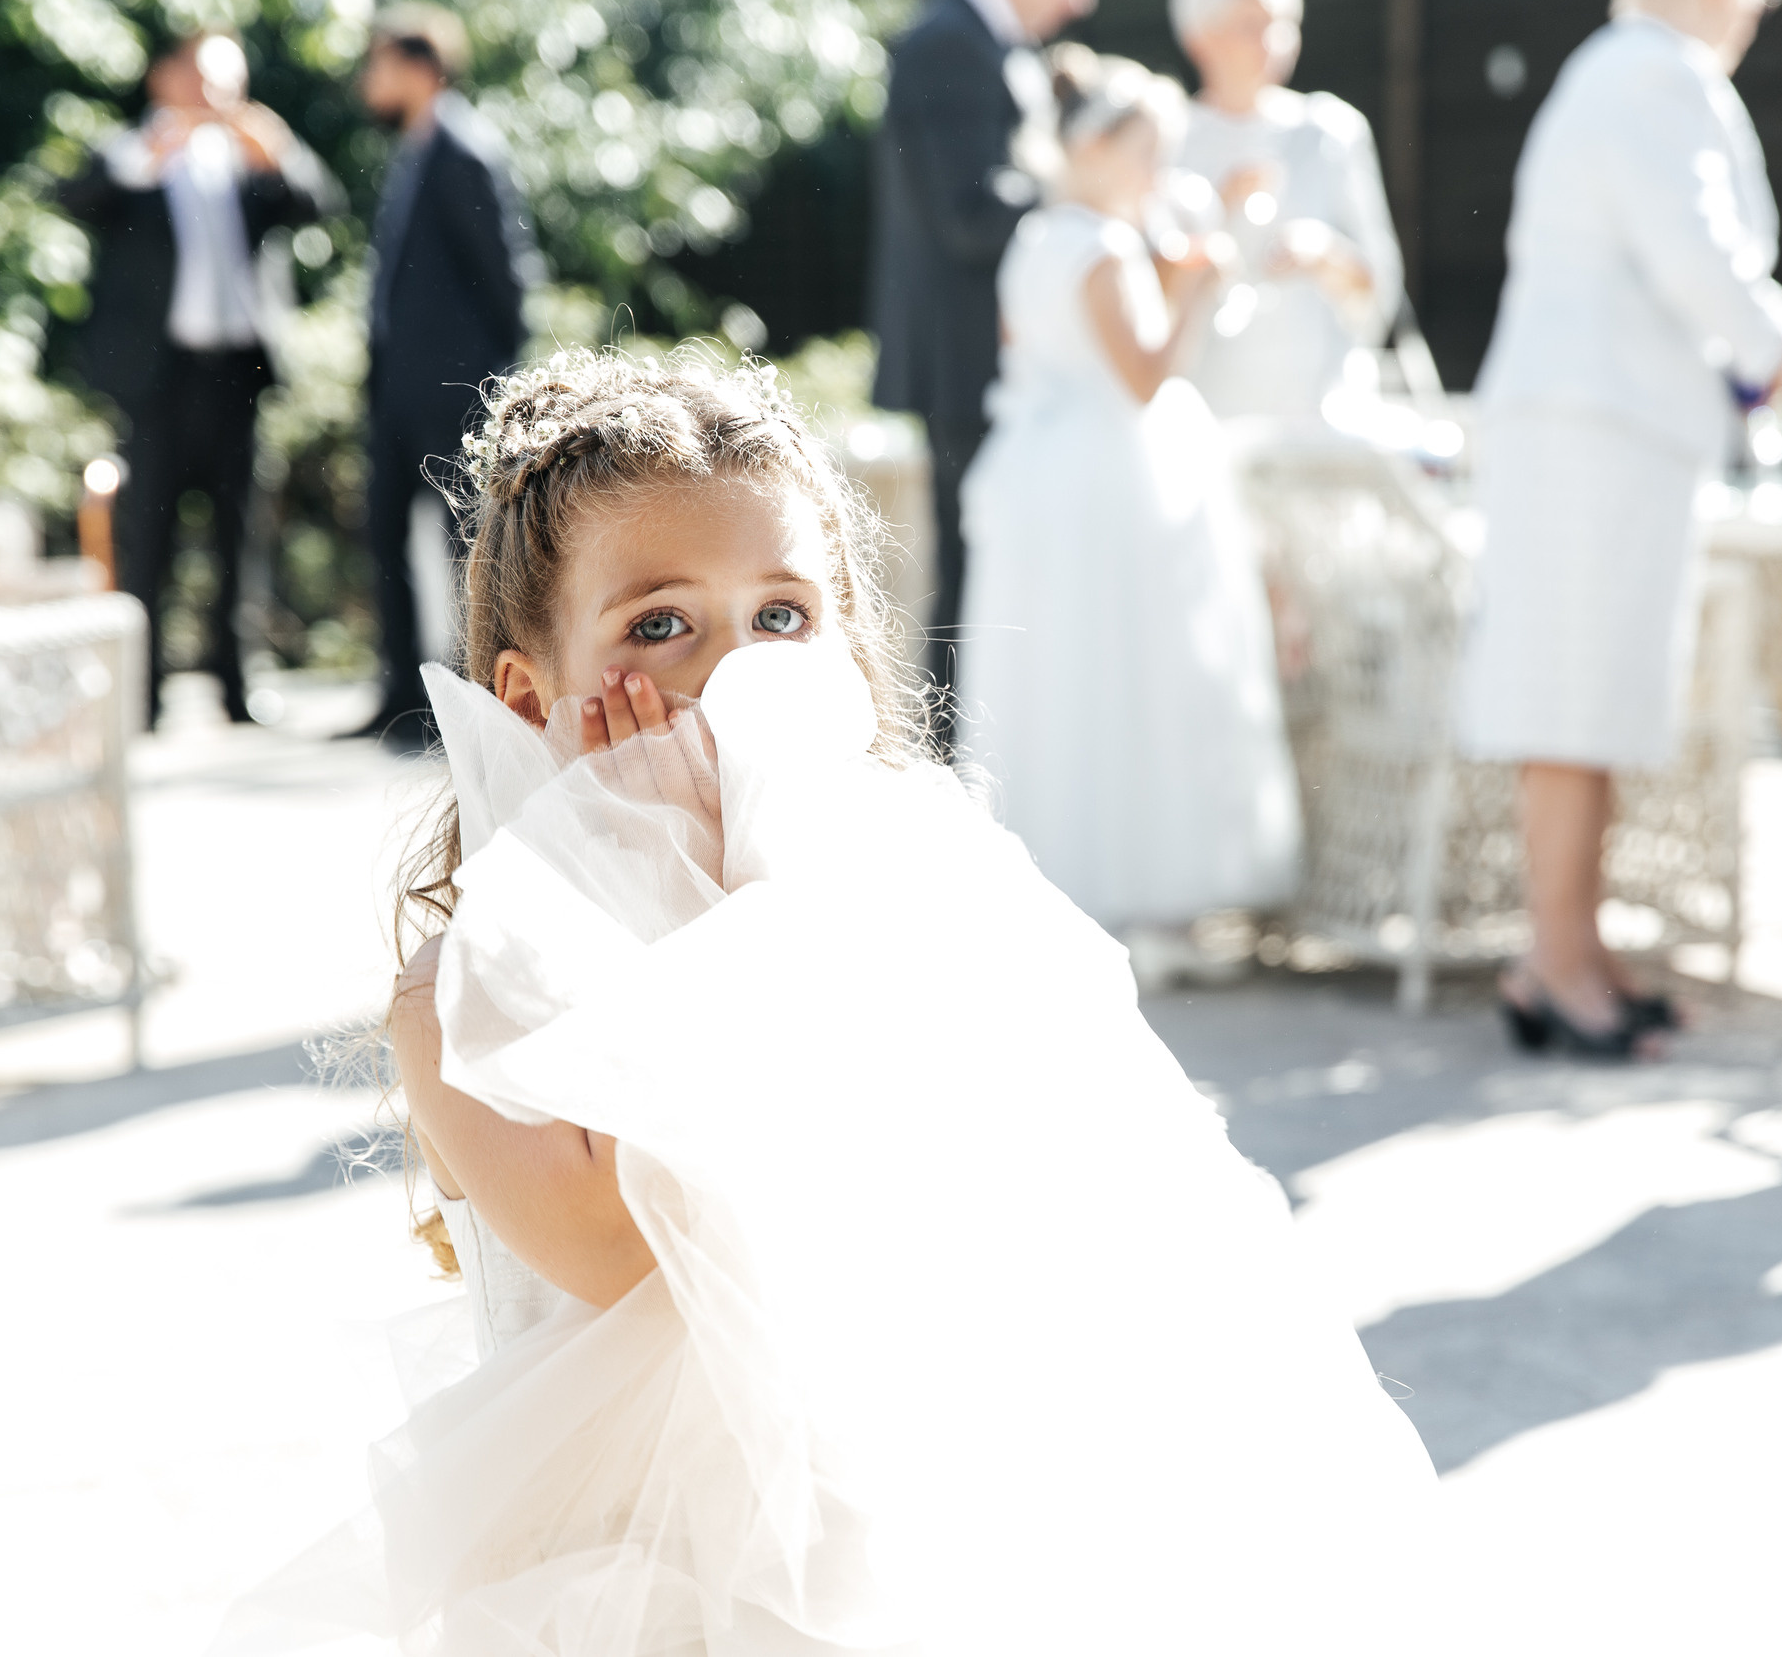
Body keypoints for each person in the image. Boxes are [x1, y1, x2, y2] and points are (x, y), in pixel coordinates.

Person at [218, 348, 1437, 1652]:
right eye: (659, 627)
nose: (732, 675)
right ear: (530, 696)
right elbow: (614, 1243)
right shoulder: (453, 991)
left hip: (872, 1525)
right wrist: (708, 910)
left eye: (781, 618)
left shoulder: (904, 899)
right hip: (629, 1570)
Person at [1456, 0, 1782, 1056]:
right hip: (1596, 433)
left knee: (1595, 701)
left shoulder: (1624, 71)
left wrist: (1773, 333)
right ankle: (1553, 957)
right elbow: (1697, 260)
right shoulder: (1648, 73)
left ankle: (1573, 953)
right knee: (1569, 703)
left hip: (1605, 432)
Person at [957, 50, 1301, 963]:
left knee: (1073, 678)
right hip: (1113, 476)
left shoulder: (1036, 239)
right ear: (1102, 148)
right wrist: (1194, 284)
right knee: (1137, 671)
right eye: (1150, 153)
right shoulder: (1102, 247)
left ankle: (1082, 885)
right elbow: (1144, 375)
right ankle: (1144, 901)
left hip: (1048, 473)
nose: (1159, 175)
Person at [60, 31, 339, 727]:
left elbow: (319, 205)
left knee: (238, 534)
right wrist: (152, 150)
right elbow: (78, 197)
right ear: (167, 79)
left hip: (235, 374)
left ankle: (237, 689)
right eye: (208, 81)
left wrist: (277, 147)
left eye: (231, 83)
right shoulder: (135, 155)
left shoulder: (248, 161)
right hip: (159, 378)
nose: (220, 97)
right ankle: (142, 695)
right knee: (145, 535)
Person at [869, 0, 1107, 744]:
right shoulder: (946, 41)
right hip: (966, 366)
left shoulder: (987, 43)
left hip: (1004, 367)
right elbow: (967, 213)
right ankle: (949, 768)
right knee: (975, 576)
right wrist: (1083, 190)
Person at [351, 2, 541, 750]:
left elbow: (505, 278)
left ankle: (468, 704)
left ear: (421, 67)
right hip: (399, 389)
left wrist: (496, 390)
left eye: (381, 63)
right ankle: (403, 694)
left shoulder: (465, 148)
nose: (370, 79)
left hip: (459, 390)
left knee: (468, 546)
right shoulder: (416, 148)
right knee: (386, 532)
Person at [1169, 0, 1404, 421]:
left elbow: (1381, 290)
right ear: (1200, 39)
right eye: (1249, 25)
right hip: (1209, 419)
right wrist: (1217, 209)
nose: (1272, 43)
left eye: (1282, 24)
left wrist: (1324, 255)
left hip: (1321, 415)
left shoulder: (1329, 132)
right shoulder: (1169, 139)